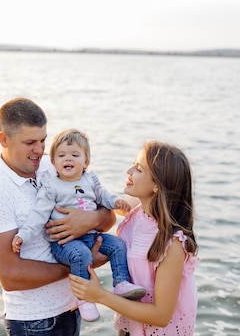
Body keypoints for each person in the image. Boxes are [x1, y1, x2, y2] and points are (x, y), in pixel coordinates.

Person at [0, 98, 117, 336]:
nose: (40, 150)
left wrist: (89, 220)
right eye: (30, 142)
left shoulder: (54, 165)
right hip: (35, 322)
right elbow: (10, 276)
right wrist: (79, 265)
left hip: (72, 307)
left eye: (42, 140)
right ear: (3, 140)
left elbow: (108, 215)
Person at [11, 129, 146, 322]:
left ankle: (121, 283)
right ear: (53, 162)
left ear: (86, 161)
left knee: (118, 245)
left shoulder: (90, 180)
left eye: (75, 155)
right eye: (62, 155)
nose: (68, 159)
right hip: (64, 244)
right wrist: (23, 235)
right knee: (81, 255)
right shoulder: (51, 186)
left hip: (90, 236)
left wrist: (116, 201)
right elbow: (38, 216)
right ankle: (83, 299)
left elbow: (103, 196)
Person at [69, 141, 199, 336]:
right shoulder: (138, 208)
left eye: (138, 168)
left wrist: (100, 295)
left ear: (156, 185)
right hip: (130, 328)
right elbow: (101, 204)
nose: (128, 170)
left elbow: (161, 316)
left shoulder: (172, 243)